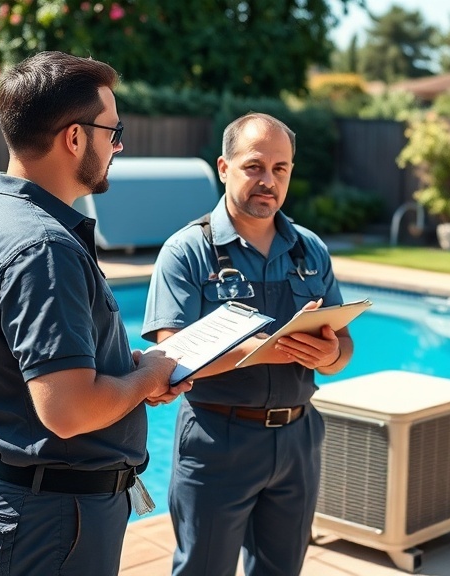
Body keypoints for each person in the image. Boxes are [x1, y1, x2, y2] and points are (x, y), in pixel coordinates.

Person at [0, 51, 181, 575]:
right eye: (114, 131)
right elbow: (67, 411)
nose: (118, 146)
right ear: (74, 138)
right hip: (53, 520)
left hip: (26, 505)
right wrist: (149, 376)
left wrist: (129, 370)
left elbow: (30, 373)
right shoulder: (42, 248)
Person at [142, 112, 355, 576]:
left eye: (280, 169)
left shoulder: (310, 250)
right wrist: (281, 346)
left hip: (299, 439)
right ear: (224, 167)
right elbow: (170, 357)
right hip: (219, 441)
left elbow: (342, 345)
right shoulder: (186, 252)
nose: (268, 180)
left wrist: (331, 354)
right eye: (254, 166)